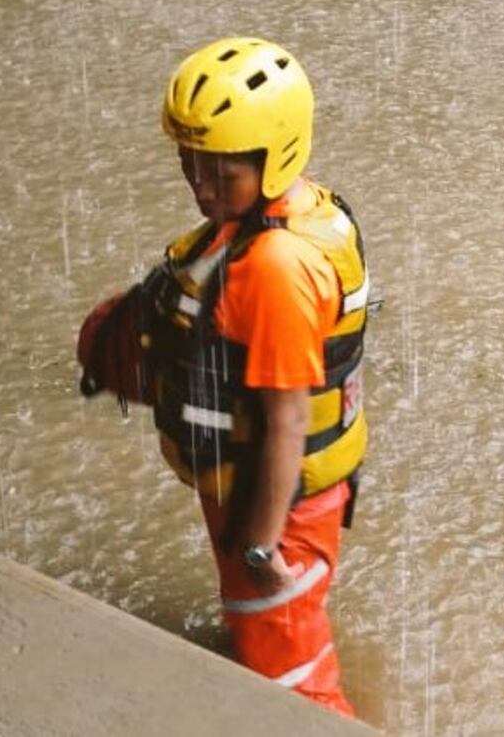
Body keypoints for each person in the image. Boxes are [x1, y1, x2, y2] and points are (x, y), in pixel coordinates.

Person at [77, 36, 369, 715]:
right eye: (190, 164)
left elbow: (286, 420)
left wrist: (262, 549)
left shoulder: (277, 267)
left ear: (275, 160)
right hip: (250, 487)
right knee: (260, 635)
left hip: (278, 509)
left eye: (220, 172)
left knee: (298, 693)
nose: (201, 187)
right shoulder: (267, 217)